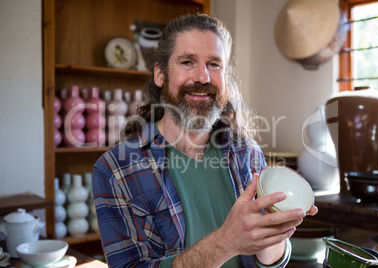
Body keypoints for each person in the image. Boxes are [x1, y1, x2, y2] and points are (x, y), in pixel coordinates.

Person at [92, 13, 318, 268]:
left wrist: (275, 236)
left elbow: (268, 261)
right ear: (160, 74)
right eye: (187, 62)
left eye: (214, 64)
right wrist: (225, 242)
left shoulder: (247, 153)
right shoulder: (115, 169)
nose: (203, 77)